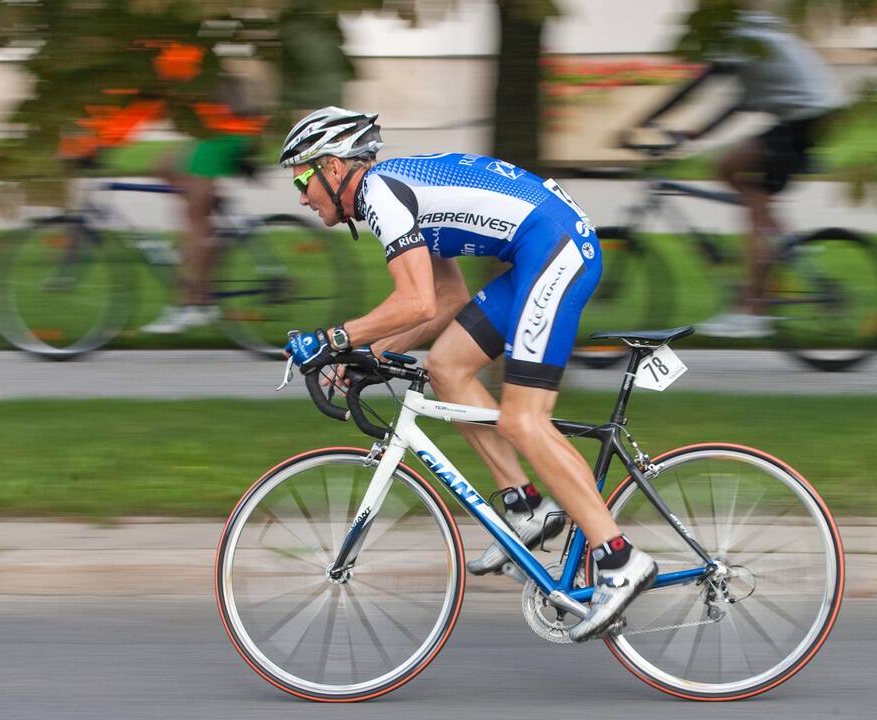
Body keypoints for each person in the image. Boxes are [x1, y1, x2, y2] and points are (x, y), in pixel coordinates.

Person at [280, 107, 657, 641]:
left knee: (525, 421)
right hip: (538, 250)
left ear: (335, 169)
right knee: (447, 367)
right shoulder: (393, 191)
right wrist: (364, 355)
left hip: (555, 250)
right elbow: (443, 302)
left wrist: (333, 339)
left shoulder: (383, 195)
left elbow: (413, 301)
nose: (300, 195)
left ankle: (619, 560)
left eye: (302, 178)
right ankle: (525, 510)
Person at [641, 8, 844, 338]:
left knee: (753, 209)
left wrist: (643, 120)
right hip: (809, 115)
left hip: (804, 119)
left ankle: (750, 311)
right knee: (728, 168)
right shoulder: (750, 30)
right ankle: (782, 242)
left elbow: (699, 85)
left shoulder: (738, 33)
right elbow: (736, 102)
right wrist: (697, 133)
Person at [59, 40, 267, 334]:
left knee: (195, 217)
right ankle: (209, 236)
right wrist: (98, 143)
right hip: (219, 126)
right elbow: (137, 109)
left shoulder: (161, 51)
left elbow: (139, 109)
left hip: (229, 130)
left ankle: (191, 304)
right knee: (165, 166)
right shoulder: (154, 47)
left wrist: (96, 146)